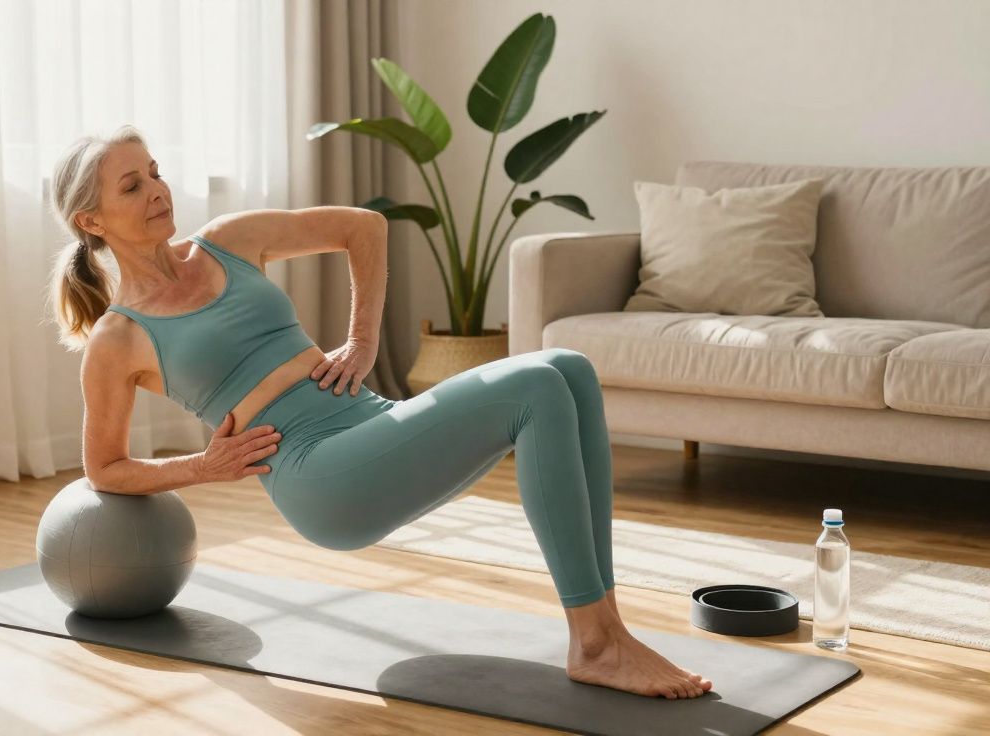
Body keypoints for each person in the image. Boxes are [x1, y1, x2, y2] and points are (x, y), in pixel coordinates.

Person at [44, 127, 713, 700]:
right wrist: (203, 466)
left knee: (569, 368)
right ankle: (595, 644)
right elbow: (102, 467)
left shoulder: (225, 242)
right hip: (319, 475)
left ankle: (607, 630)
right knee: (537, 385)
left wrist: (363, 340)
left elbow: (361, 227)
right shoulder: (118, 337)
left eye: (155, 172)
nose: (157, 189)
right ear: (92, 221)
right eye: (132, 186)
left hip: (367, 420)